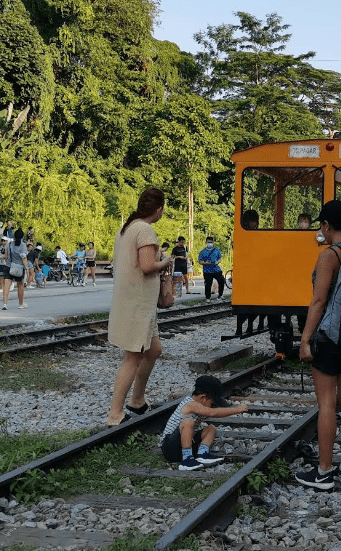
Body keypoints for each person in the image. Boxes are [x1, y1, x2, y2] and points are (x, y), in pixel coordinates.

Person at [297, 199, 341, 490]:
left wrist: (305, 339)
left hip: (328, 337)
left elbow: (319, 300)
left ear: (327, 226)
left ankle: (324, 472)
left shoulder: (329, 256)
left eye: (321, 226)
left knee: (327, 403)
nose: (320, 231)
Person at [107, 187, 171, 427]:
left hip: (134, 303)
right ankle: (115, 414)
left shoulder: (128, 228)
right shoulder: (145, 229)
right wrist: (164, 261)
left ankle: (137, 400)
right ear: (159, 209)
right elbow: (146, 266)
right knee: (132, 358)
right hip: (137, 304)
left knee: (153, 350)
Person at [161, 375, 249, 470]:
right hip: (170, 448)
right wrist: (236, 410)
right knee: (188, 422)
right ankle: (187, 460)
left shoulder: (197, 405)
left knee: (210, 429)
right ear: (202, 398)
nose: (212, 407)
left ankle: (202, 454)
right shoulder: (190, 404)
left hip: (183, 444)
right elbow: (213, 413)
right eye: (212, 403)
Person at [0, 229, 30, 311]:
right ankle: (20, 304)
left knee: (6, 286)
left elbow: (5, 257)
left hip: (8, 267)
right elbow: (24, 258)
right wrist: (27, 268)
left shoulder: (9, 245)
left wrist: (8, 263)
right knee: (20, 286)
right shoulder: (23, 246)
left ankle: (5, 304)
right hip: (19, 268)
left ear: (14, 236)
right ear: (22, 237)